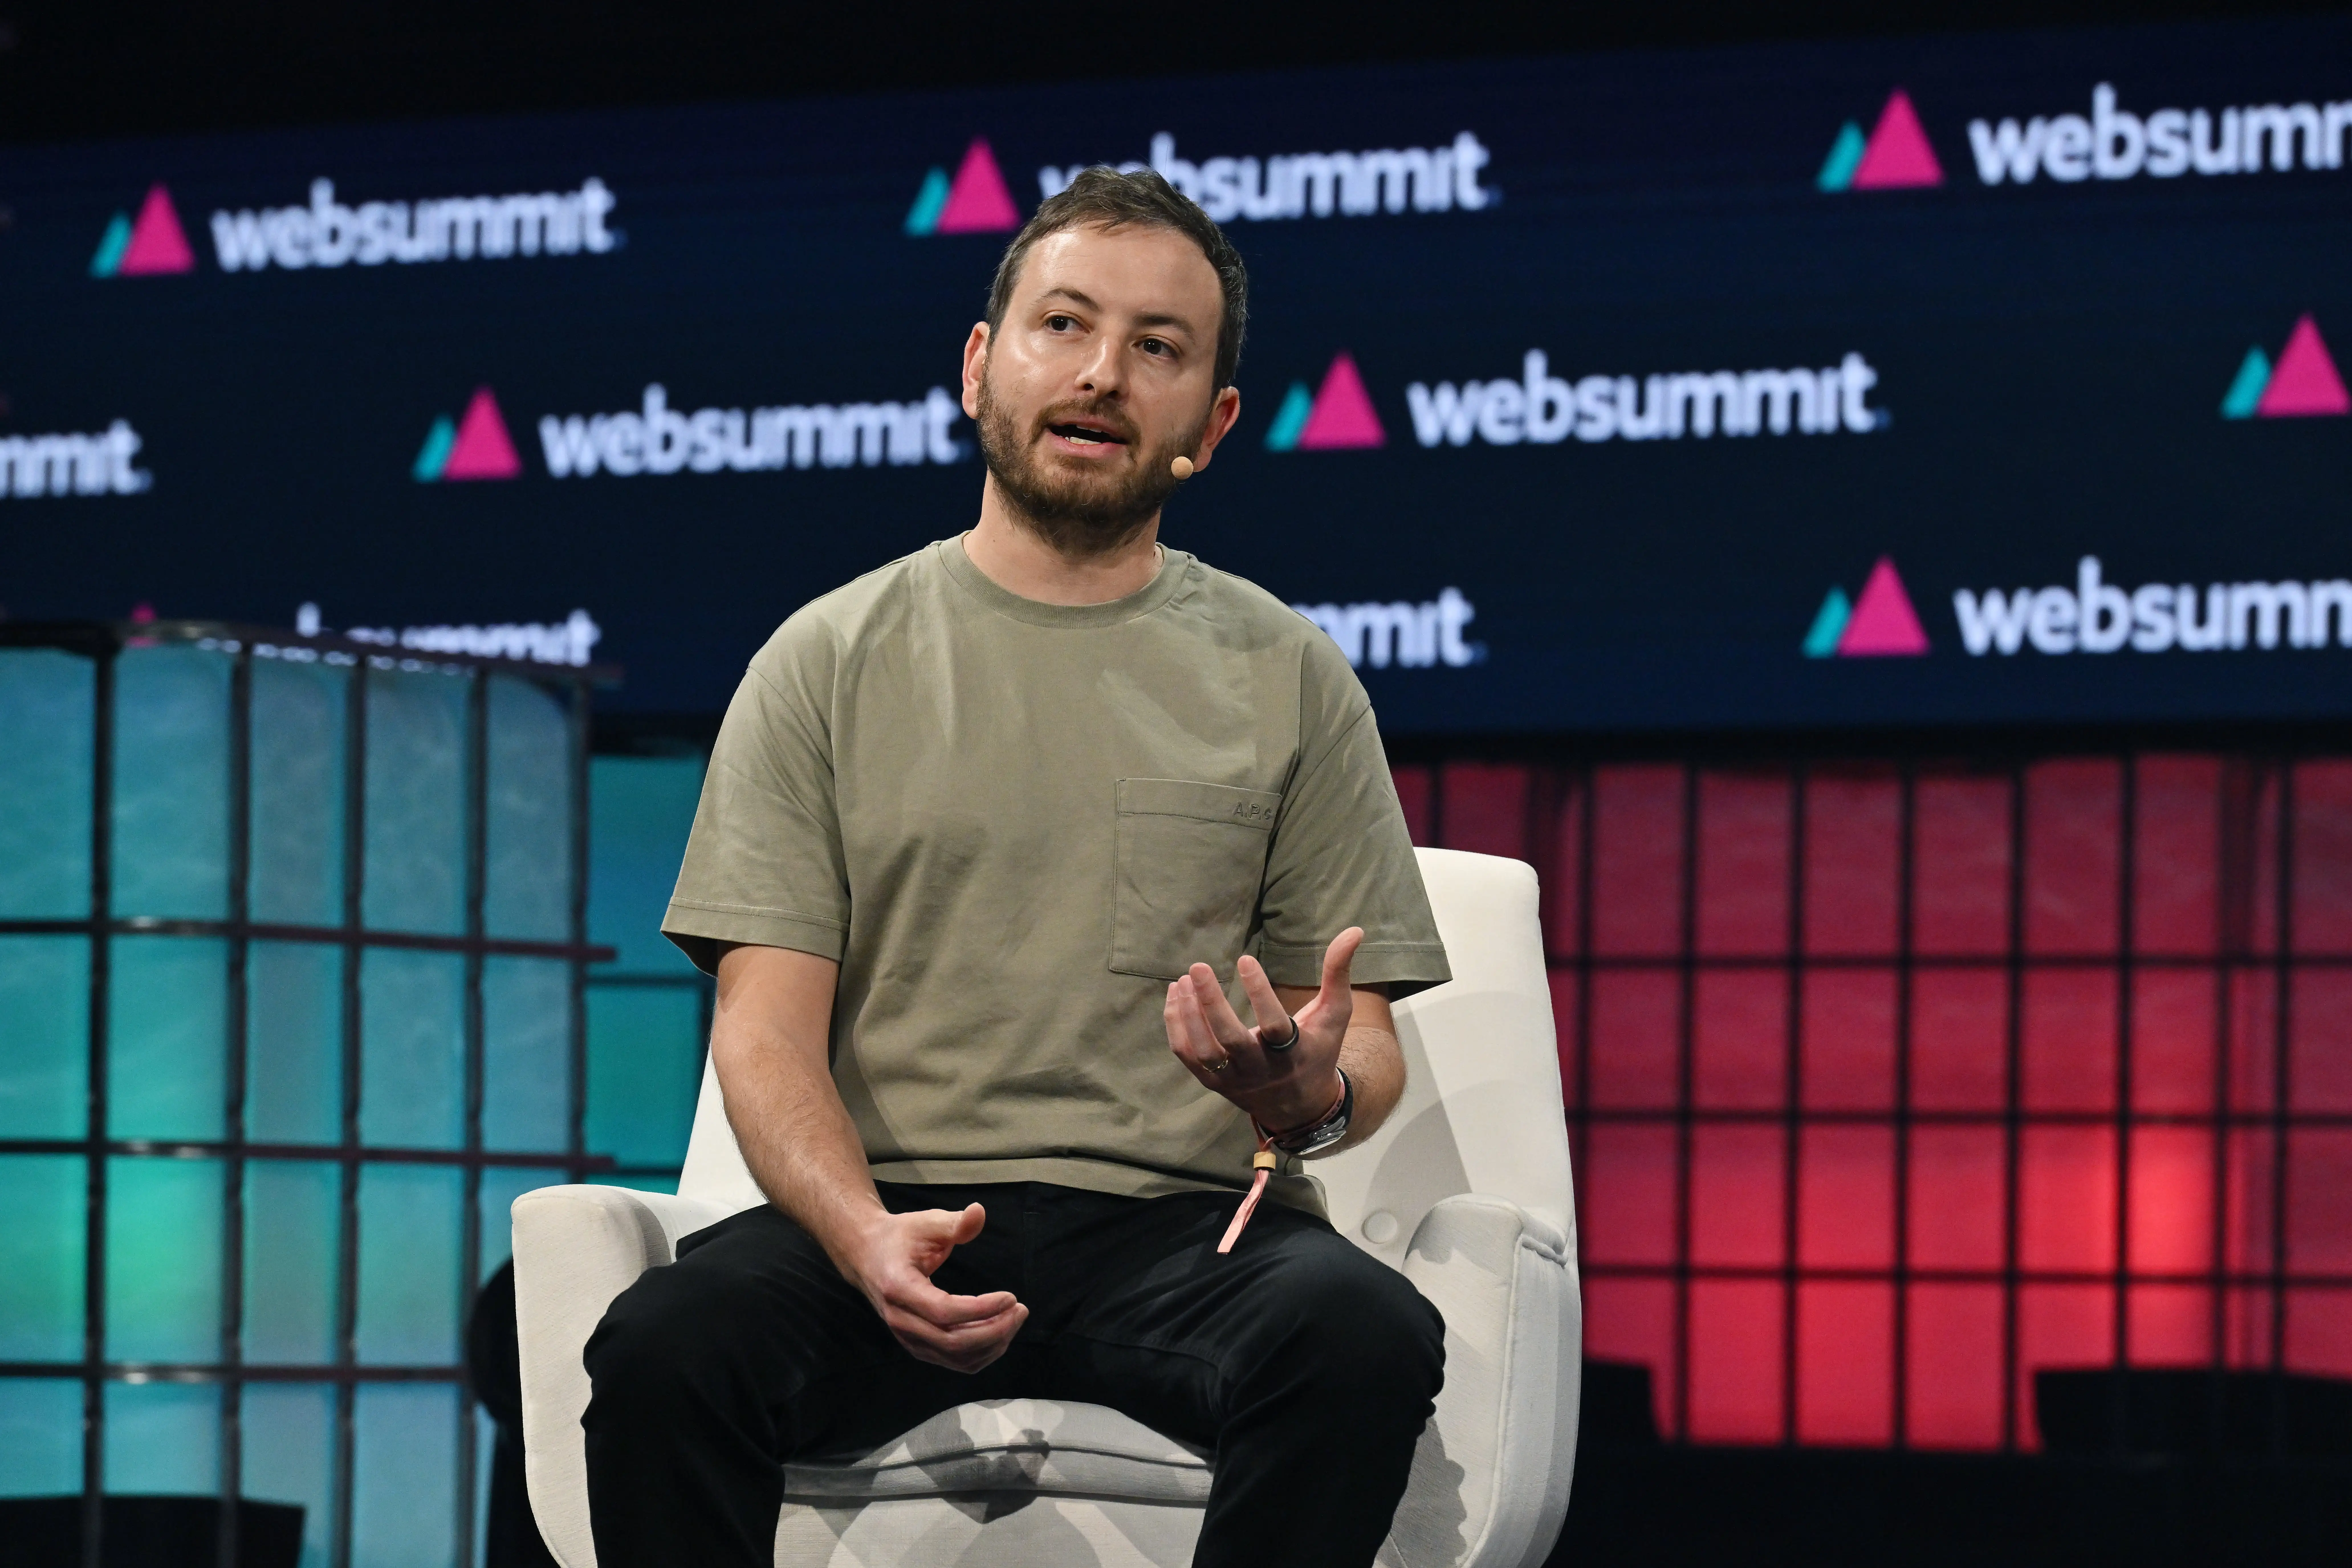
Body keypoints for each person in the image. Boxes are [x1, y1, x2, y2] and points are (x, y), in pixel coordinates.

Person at [582, 166, 1453, 1568]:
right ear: (984, 364)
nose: (1103, 374)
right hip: (888, 1212)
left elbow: (1362, 1044)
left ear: (1213, 423)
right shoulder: (826, 659)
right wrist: (860, 1235)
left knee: (1360, 1333)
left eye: (1158, 348)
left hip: (1184, 1238)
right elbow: (762, 1028)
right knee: (666, 1341)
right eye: (1063, 324)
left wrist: (1314, 1094)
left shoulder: (1285, 671)